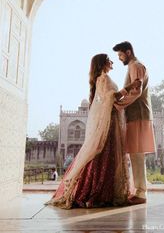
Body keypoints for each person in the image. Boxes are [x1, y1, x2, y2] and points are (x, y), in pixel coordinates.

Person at [45, 53, 139, 209]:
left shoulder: (103, 78)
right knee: (104, 154)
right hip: (109, 121)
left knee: (106, 156)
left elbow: (111, 98)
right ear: (102, 64)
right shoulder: (103, 78)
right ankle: (98, 192)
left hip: (111, 119)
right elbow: (112, 97)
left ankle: (104, 192)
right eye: (109, 59)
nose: (111, 61)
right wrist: (129, 88)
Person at [113, 41, 156, 205]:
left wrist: (118, 105)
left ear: (128, 52)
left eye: (120, 55)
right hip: (135, 115)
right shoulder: (133, 66)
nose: (119, 58)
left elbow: (136, 91)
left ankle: (141, 193)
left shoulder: (136, 65)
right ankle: (139, 191)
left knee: (137, 155)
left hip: (138, 114)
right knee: (135, 154)